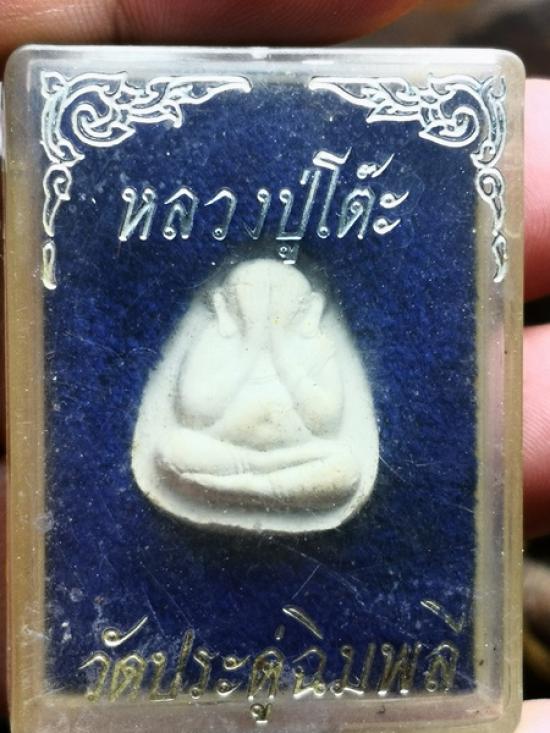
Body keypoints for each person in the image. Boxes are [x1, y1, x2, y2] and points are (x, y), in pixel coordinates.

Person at [0, 1, 548, 730]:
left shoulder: (311, 336)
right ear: (226, 302)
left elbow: (326, 418)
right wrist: (241, 344)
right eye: (248, 303)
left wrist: (285, 355)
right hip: (207, 457)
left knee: (339, 469)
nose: (265, 311)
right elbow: (193, 408)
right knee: (176, 452)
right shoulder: (217, 329)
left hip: (307, 465)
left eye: (281, 306)